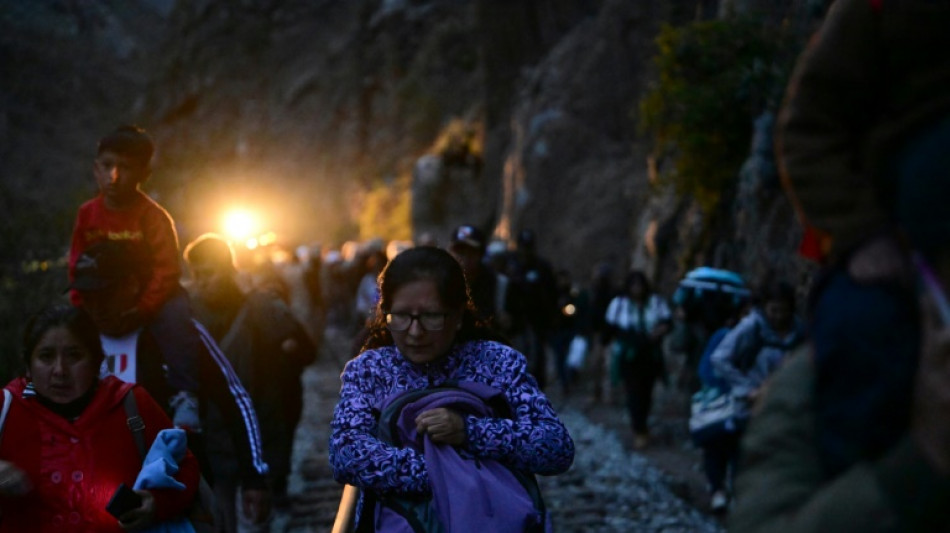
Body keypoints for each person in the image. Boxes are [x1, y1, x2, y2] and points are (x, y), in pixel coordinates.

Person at [328, 246, 574, 532]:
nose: (415, 332)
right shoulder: (370, 370)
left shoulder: (496, 362)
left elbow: (555, 447)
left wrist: (469, 431)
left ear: (458, 315)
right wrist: (450, 475)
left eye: (432, 317)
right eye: (402, 316)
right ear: (385, 313)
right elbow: (345, 453)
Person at [69, 240, 271, 527]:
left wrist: (254, 476)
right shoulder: (71, 341)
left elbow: (234, 398)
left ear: (130, 286)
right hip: (96, 498)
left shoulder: (176, 338)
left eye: (104, 293)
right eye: (87, 296)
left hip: (177, 495)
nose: (95, 306)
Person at [0, 304, 200, 532]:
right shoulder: (7, 409)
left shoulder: (131, 404)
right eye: (46, 357)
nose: (60, 370)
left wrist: (157, 502)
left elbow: (185, 465)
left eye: (74, 356)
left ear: (96, 362)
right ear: (28, 365)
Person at [67, 124, 202, 431]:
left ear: (143, 173)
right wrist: (83, 304)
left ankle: (184, 394)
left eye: (125, 168)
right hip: (102, 295)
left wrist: (142, 309)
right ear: (95, 169)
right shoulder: (87, 214)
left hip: (151, 296)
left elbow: (167, 270)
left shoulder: (153, 216)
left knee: (177, 316)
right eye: (106, 166)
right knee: (67, 327)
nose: (114, 176)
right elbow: (77, 263)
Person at [184, 234, 316, 530]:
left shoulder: (262, 309)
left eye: (209, 273)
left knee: (257, 518)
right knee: (220, 520)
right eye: (197, 275)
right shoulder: (187, 314)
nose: (203, 282)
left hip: (258, 429)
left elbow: (305, 352)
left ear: (228, 269)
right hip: (212, 436)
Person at [603, 270, 672, 449]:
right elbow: (610, 328)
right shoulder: (619, 304)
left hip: (650, 355)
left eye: (639, 285)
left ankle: (643, 424)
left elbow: (667, 322)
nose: (637, 289)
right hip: (629, 356)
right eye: (634, 285)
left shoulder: (655, 303)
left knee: (646, 392)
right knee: (633, 392)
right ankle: (638, 429)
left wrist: (658, 332)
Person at [503, 229, 559, 389]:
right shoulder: (510, 265)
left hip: (538, 322)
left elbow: (551, 294)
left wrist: (551, 318)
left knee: (537, 360)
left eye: (528, 247)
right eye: (522, 247)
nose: (525, 251)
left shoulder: (542, 267)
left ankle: (536, 392)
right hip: (516, 323)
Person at [447, 224, 510, 328]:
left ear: (481, 254)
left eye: (470, 252)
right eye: (459, 251)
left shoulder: (498, 284)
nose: (464, 257)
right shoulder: (441, 281)